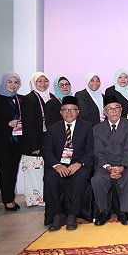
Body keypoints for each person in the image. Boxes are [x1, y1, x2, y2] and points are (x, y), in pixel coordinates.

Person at [42, 96, 94, 231]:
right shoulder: (53, 128)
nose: (69, 112)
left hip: (79, 164)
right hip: (59, 164)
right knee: (50, 177)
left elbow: (90, 149)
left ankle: (72, 215)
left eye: (72, 109)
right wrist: (57, 165)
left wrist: (79, 163)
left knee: (81, 177)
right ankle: (57, 215)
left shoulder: (87, 127)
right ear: (61, 112)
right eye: (65, 110)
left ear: (78, 112)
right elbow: (46, 150)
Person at [91, 95, 128, 226]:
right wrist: (108, 167)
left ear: (121, 109)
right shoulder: (97, 128)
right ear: (105, 112)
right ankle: (103, 212)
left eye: (116, 108)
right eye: (110, 109)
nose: (114, 111)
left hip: (125, 163)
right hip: (105, 165)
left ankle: (124, 212)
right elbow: (98, 152)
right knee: (97, 178)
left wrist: (122, 166)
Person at [0, 72, 24, 211]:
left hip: (17, 141)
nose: (13, 85)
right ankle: (7, 200)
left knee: (13, 170)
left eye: (16, 82)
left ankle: (10, 198)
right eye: (10, 82)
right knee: (5, 171)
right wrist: (8, 124)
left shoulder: (20, 99)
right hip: (2, 142)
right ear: (4, 83)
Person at [22, 72, 55, 161]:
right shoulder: (29, 99)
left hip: (49, 139)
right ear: (33, 83)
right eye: (39, 81)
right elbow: (28, 125)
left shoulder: (52, 97)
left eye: (46, 81)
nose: (43, 84)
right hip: (36, 141)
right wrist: (34, 146)